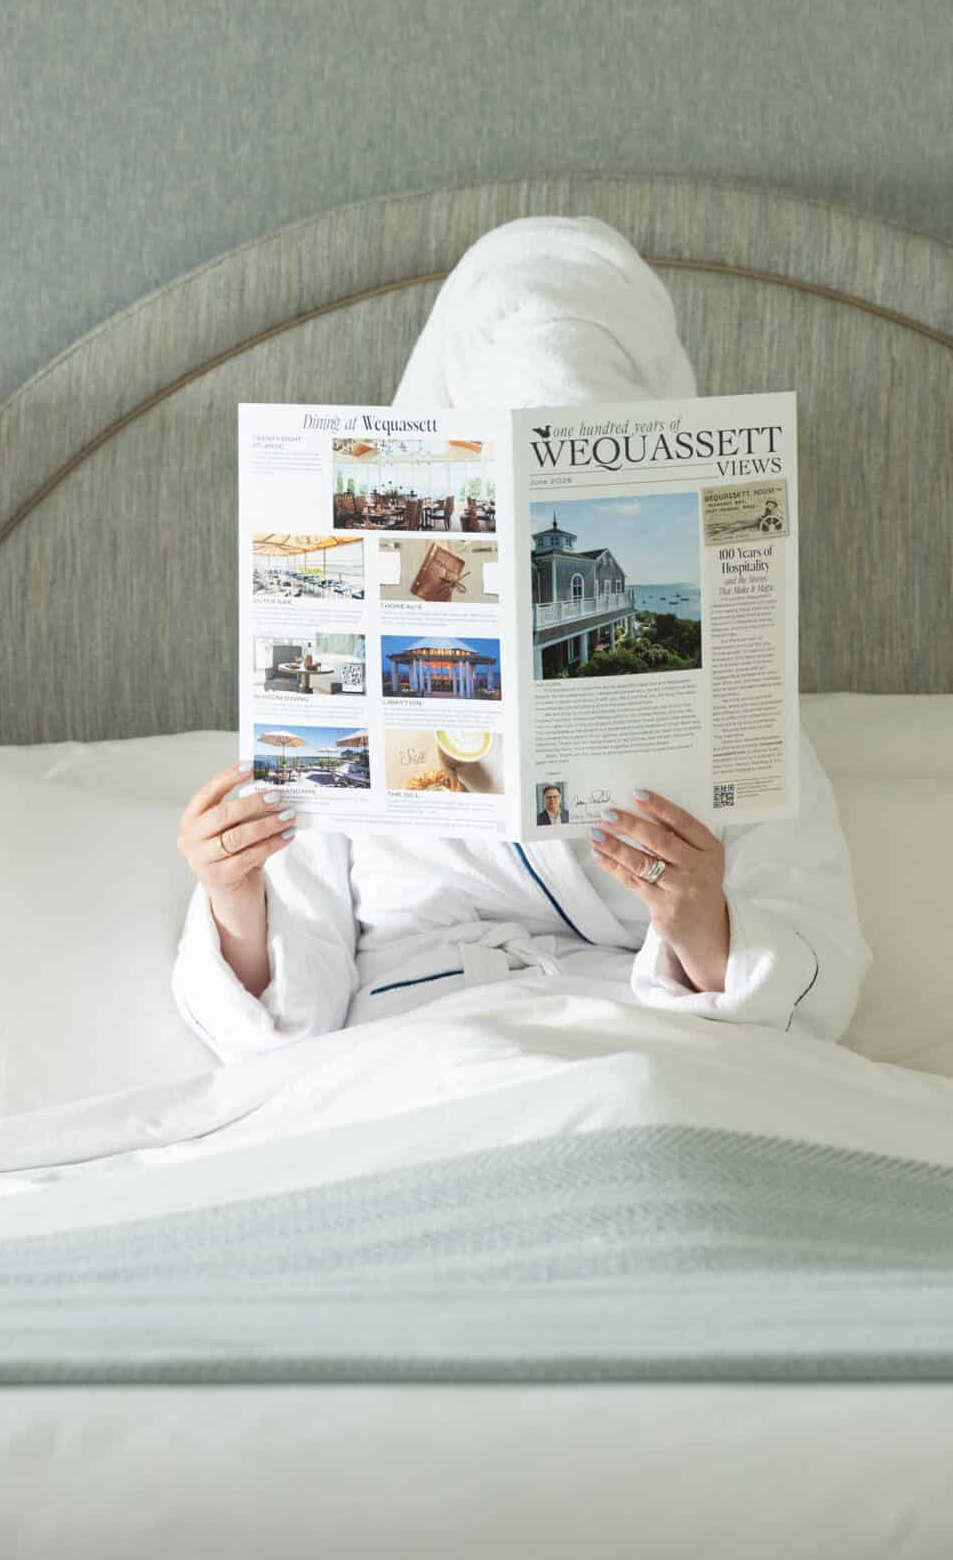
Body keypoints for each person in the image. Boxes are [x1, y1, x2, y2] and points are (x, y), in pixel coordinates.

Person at [172, 217, 872, 1059]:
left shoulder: (743, 708)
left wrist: (704, 925)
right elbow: (280, 1024)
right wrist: (235, 897)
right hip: (416, 1051)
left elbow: (819, 978)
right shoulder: (339, 700)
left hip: (645, 1053)